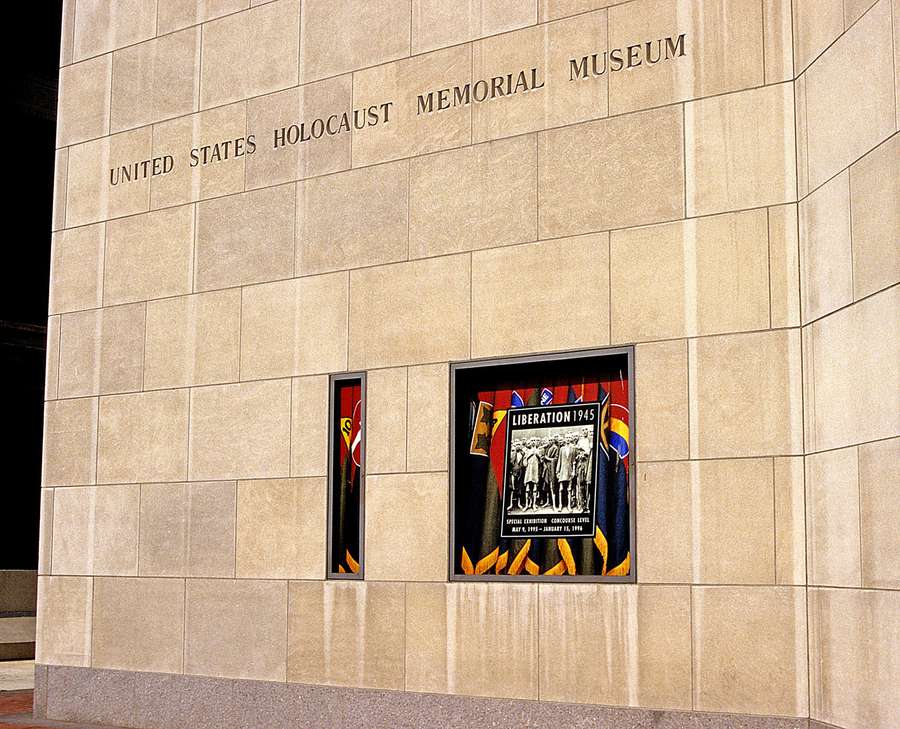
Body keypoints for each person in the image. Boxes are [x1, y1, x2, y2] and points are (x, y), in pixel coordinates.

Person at [556, 434, 578, 512]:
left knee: (569, 489)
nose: (568, 439)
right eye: (567, 438)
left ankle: (569, 506)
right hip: (562, 470)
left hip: (569, 470)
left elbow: (574, 461)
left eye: (569, 438)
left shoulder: (573, 449)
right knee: (561, 489)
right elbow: (559, 460)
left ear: (571, 439)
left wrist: (573, 471)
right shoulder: (561, 449)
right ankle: (560, 505)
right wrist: (557, 471)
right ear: (565, 439)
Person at [523, 438, 542, 510]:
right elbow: (524, 464)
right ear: (530, 442)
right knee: (527, 489)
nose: (533, 442)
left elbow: (541, 463)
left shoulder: (538, 451)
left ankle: (534, 504)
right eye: (532, 441)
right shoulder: (527, 451)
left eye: (535, 441)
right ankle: (527, 505)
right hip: (528, 471)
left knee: (534, 489)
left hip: (535, 471)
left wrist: (538, 455)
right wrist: (529, 455)